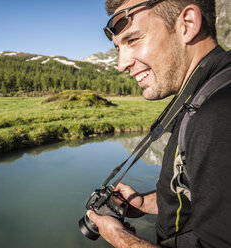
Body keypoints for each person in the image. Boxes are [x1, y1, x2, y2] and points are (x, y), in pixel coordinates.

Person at [87, 0, 231, 247]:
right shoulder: (203, 93)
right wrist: (146, 203)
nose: (122, 65)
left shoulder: (218, 116)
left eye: (133, 40)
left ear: (187, 24)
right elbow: (204, 193)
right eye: (118, 48)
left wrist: (121, 239)